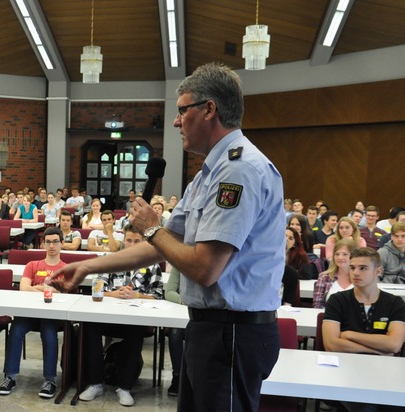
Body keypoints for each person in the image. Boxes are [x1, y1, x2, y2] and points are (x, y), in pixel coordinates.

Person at [54, 63, 284, 411]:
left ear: (209, 109)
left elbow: (205, 268)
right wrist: (87, 266)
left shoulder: (239, 170)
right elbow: (157, 247)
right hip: (210, 328)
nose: (176, 122)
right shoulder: (209, 174)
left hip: (233, 332)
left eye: (182, 111)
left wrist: (151, 226)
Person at [78, 224, 163, 407]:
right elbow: (96, 291)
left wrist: (137, 295)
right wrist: (114, 293)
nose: (131, 245)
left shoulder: (152, 265)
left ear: (144, 242)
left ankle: (124, 387)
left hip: (135, 318)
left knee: (136, 331)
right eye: (128, 240)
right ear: (123, 240)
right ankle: (95, 383)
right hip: (108, 317)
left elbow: (158, 296)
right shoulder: (110, 261)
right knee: (89, 326)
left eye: (137, 241)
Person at [322, 247, 405, 412]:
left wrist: (349, 334)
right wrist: (377, 349)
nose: (355, 273)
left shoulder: (394, 303)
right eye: (352, 267)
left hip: (384, 373)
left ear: (378, 271)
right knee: (365, 406)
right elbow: (332, 345)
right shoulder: (337, 300)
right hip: (345, 371)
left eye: (363, 268)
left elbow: (394, 345)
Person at [0, 227, 65, 400]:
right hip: (29, 312)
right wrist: (45, 288)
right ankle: (9, 377)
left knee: (48, 332)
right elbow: (23, 288)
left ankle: (50, 380)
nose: (52, 245)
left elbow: (62, 292)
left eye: (55, 241)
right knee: (16, 329)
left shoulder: (66, 268)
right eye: (48, 241)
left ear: (62, 244)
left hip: (52, 314)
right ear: (43, 244)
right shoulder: (32, 265)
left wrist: (36, 288)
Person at [312, 238, 358, 309]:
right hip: (329, 318)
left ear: (353, 256)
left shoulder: (360, 278)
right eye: (337, 254)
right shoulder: (324, 278)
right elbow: (317, 306)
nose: (340, 257)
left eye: (345, 254)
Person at [163, 266, 185, 397]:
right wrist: (182, 300)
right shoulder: (179, 266)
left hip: (206, 312)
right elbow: (169, 292)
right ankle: (177, 375)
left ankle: (195, 377)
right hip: (184, 309)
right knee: (175, 333)